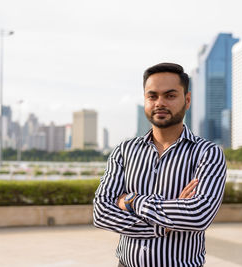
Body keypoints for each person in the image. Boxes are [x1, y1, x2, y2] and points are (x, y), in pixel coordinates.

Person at [93, 62, 226, 267]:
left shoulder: (208, 153)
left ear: (187, 100)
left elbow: (199, 215)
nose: (160, 103)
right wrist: (163, 226)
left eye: (170, 95)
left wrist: (132, 201)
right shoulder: (124, 151)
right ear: (145, 100)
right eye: (152, 96)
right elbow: (101, 212)